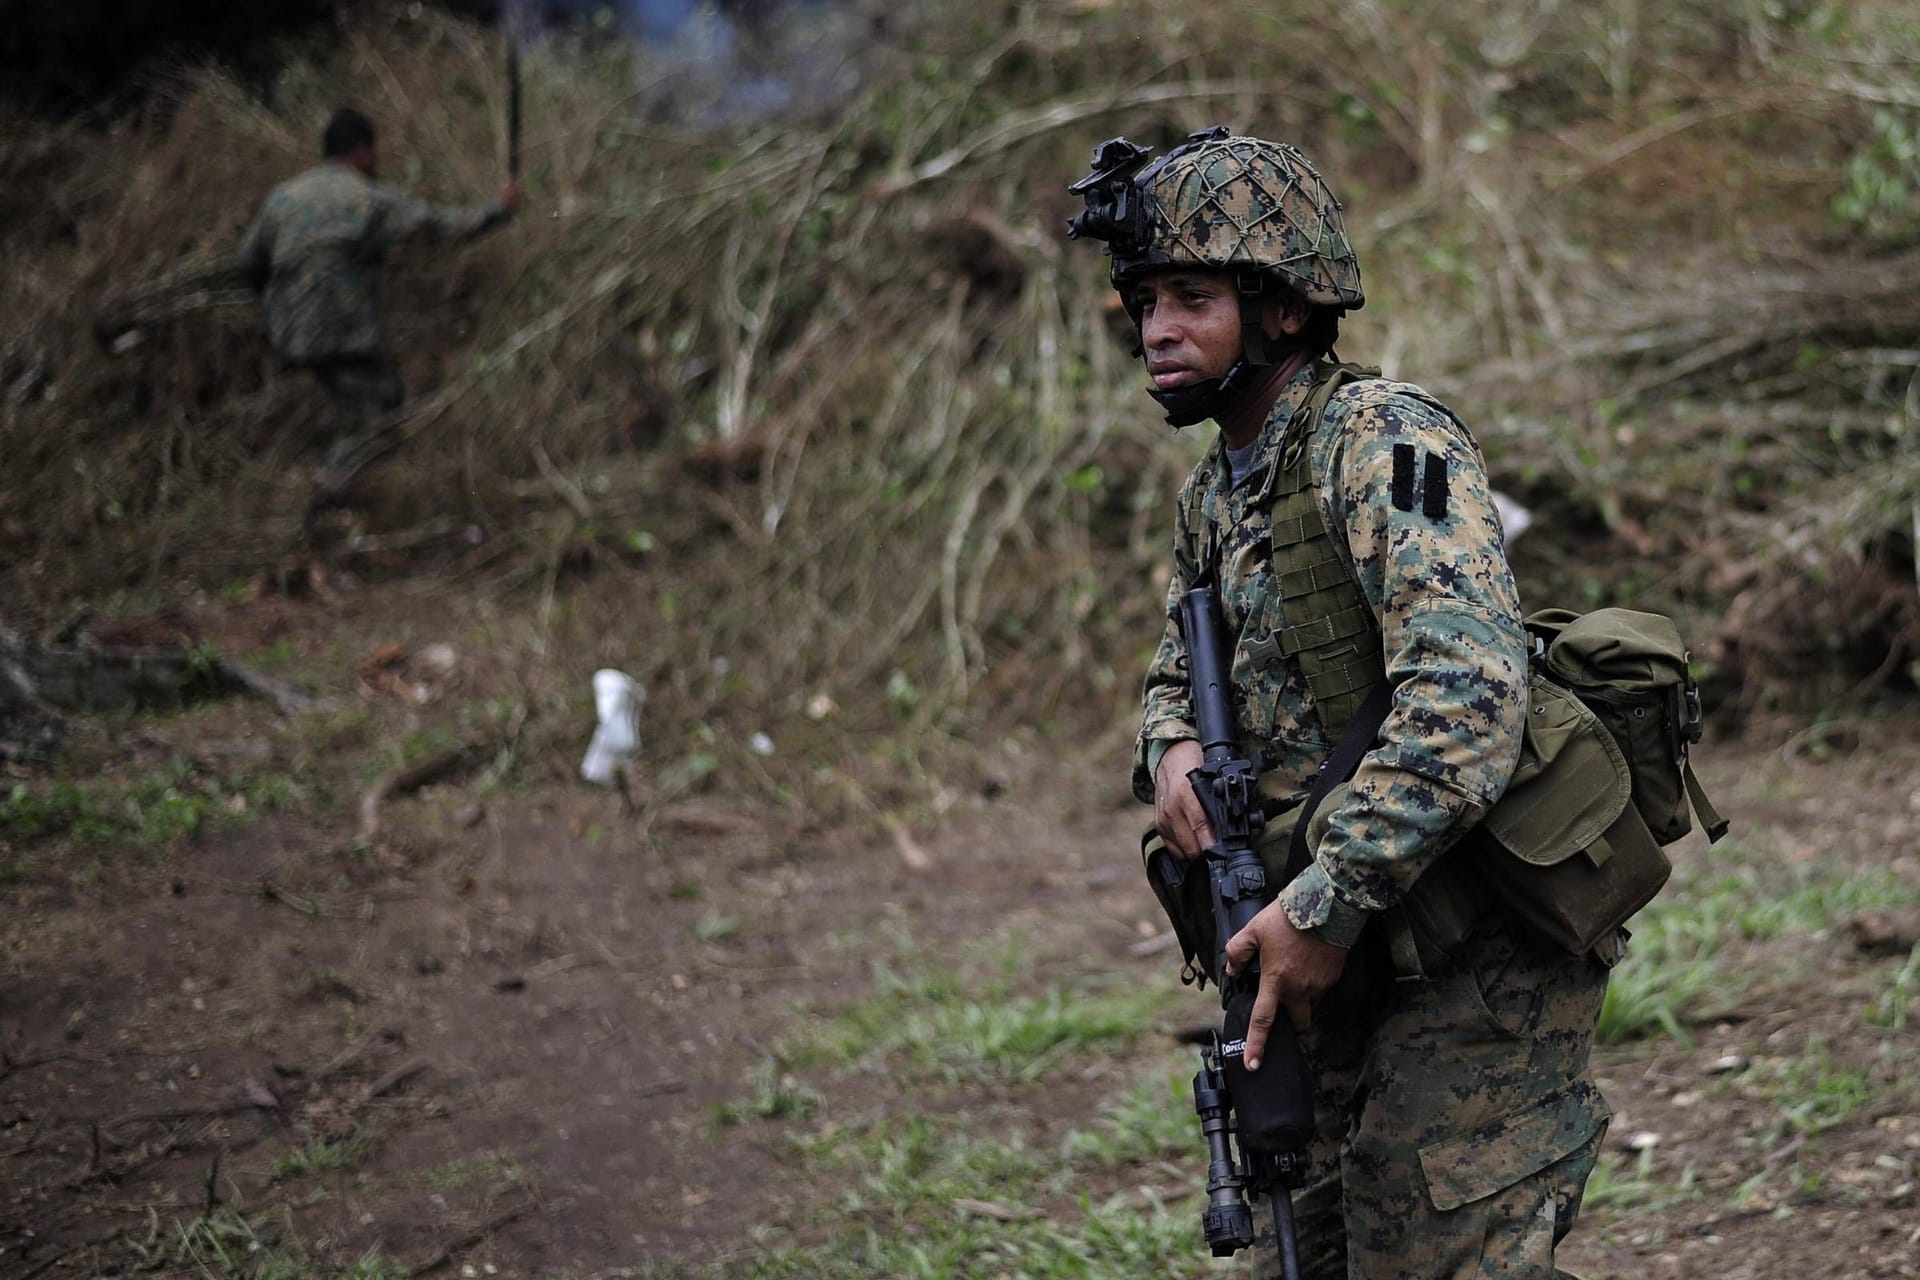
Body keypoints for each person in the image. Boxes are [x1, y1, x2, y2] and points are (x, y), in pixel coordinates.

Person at [1071, 127, 1612, 1277]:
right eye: (1144, 302)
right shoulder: (1217, 490)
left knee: (1433, 1247)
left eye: (1190, 297)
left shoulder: (1381, 441)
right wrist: (1169, 750)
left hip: (1465, 940)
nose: (1155, 329)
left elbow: (1467, 692)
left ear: (1283, 307)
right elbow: (1180, 663)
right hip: (1326, 950)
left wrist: (1325, 900)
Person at [236, 107, 522, 460]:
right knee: (382, 407)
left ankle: (343, 483)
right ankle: (340, 487)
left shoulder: (282, 197)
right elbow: (442, 227)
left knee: (353, 405)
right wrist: (498, 209)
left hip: (291, 332)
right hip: (341, 329)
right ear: (362, 150)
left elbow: (246, 264)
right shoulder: (368, 197)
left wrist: (281, 307)